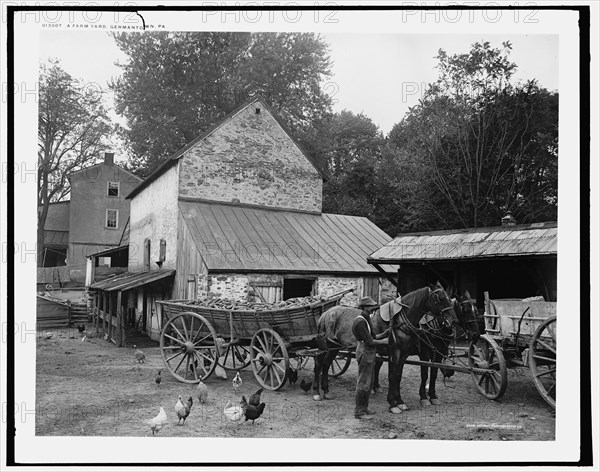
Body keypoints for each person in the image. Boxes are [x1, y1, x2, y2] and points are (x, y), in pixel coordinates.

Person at [353, 296, 389, 420]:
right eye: (371, 307)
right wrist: (384, 341)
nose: (374, 309)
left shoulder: (366, 318)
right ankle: (359, 412)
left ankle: (364, 408)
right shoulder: (360, 321)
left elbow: (373, 336)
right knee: (363, 383)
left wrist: (384, 334)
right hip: (364, 352)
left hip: (369, 353)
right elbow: (369, 341)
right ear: (365, 307)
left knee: (368, 383)